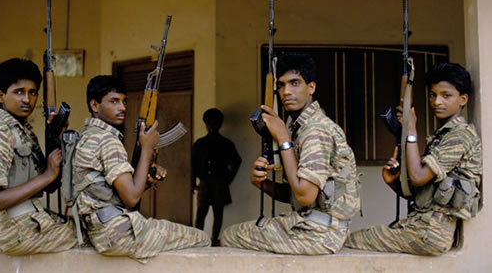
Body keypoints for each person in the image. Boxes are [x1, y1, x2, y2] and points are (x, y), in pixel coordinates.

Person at [221, 53, 360, 254]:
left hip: (319, 234)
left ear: (311, 87)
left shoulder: (315, 130)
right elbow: (297, 194)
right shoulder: (300, 128)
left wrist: (283, 139)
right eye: (281, 85)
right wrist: (263, 184)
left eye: (295, 83)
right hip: (313, 226)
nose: (286, 91)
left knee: (230, 235)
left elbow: (305, 195)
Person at [345, 62, 482, 255]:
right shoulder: (443, 136)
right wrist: (393, 182)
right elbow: (421, 195)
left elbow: (418, 177)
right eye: (433, 95)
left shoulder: (460, 136)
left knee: (351, 241)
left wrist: (410, 130)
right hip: (422, 227)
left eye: (446, 95)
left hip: (431, 233)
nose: (437, 102)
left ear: (463, 99)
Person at [72, 75, 210, 263]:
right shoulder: (108, 141)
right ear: (95, 105)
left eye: (124, 101)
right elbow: (131, 198)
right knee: (201, 238)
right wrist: (147, 148)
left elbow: (110, 192)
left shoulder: (88, 136)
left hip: (101, 229)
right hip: (117, 233)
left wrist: (146, 179)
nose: (122, 108)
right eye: (114, 101)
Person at [0, 58, 78, 255]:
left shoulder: (22, 131)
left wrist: (58, 139)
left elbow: (50, 185)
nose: (27, 100)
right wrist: (47, 176)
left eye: (32, 92)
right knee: (90, 235)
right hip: (15, 231)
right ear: (1, 96)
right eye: (19, 92)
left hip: (30, 220)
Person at [193, 108, 241, 247]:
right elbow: (237, 161)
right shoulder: (222, 143)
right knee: (211, 212)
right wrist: (228, 179)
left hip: (211, 182)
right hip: (212, 182)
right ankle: (209, 240)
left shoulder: (201, 143)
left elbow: (193, 165)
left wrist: (228, 179)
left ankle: (201, 239)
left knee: (204, 213)